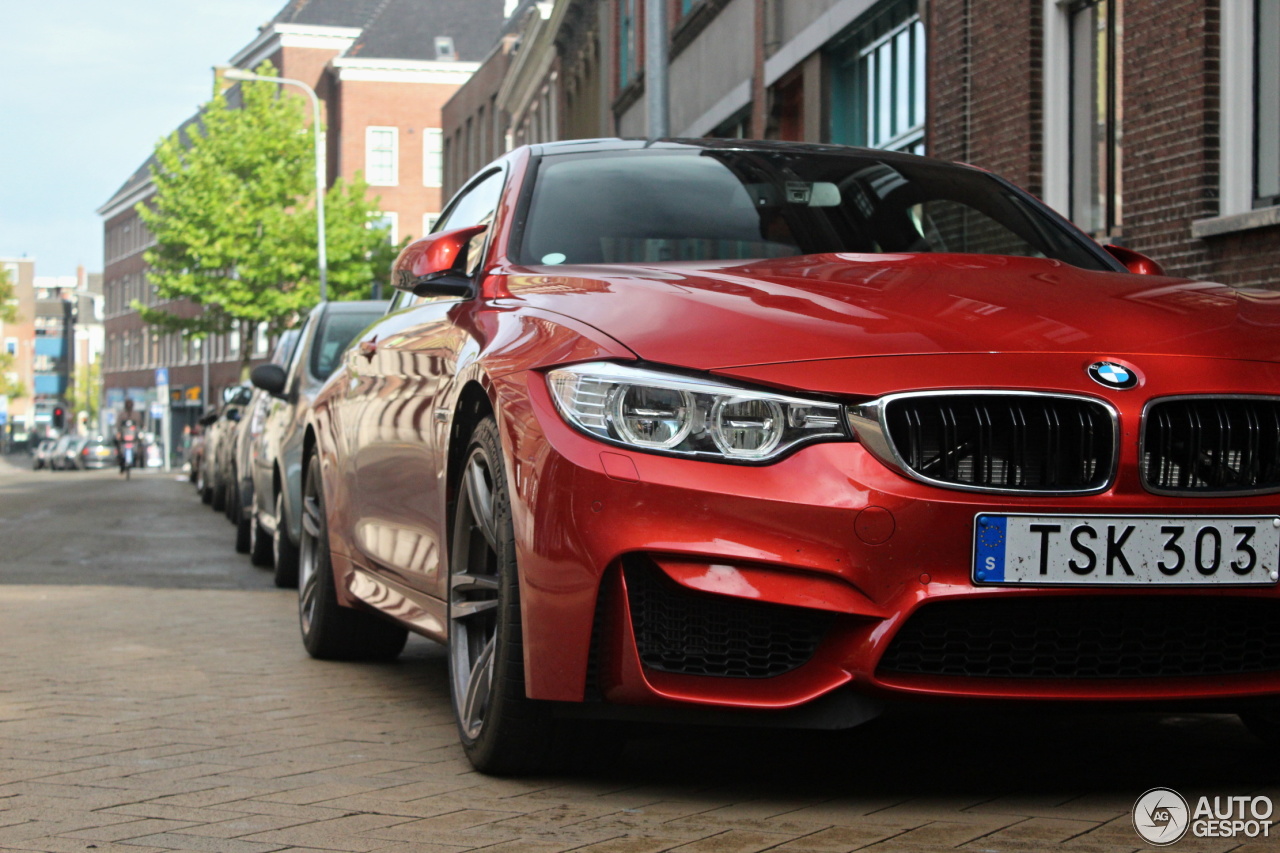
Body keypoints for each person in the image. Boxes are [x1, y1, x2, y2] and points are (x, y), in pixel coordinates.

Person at [115, 400, 142, 475]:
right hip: (124, 437)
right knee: (116, 443)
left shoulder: (136, 414)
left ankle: (138, 458)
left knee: (141, 443)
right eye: (128, 404)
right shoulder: (122, 414)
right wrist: (119, 433)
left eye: (130, 404)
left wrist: (140, 432)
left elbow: (140, 424)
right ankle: (121, 462)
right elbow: (118, 425)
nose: (129, 406)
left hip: (134, 437)